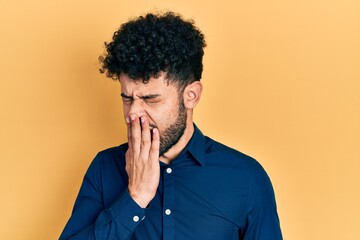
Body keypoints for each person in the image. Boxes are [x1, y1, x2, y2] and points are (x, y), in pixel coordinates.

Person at [60, 11, 282, 240]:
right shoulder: (104, 168)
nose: (133, 113)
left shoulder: (247, 178)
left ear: (191, 96)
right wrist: (134, 199)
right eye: (127, 98)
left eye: (150, 99)